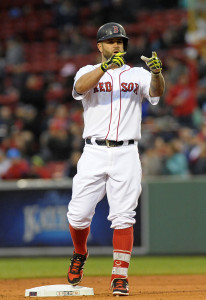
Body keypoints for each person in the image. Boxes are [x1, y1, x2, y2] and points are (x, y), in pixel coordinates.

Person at [67, 22, 165, 296]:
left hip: (126, 152)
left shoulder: (138, 74)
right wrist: (105, 68)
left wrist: (157, 73)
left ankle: (119, 277)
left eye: (121, 42)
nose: (117, 46)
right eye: (111, 42)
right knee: (77, 215)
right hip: (94, 151)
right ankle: (80, 252)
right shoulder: (88, 71)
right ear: (100, 46)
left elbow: (157, 92)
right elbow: (79, 88)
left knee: (124, 216)